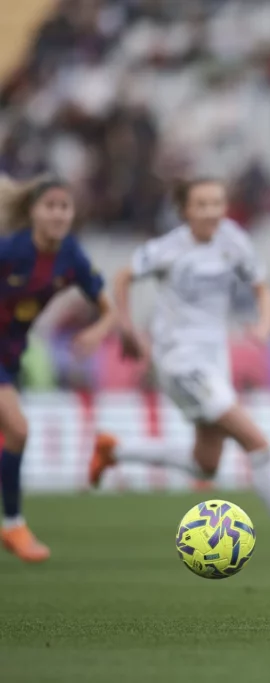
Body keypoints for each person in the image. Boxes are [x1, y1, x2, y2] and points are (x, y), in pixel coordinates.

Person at [88, 178, 270, 565]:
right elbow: (122, 276)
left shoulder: (232, 240)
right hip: (180, 361)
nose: (210, 212)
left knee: (205, 463)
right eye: (201, 204)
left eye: (217, 203)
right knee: (258, 443)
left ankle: (114, 451)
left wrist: (265, 325)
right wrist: (127, 327)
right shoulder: (168, 248)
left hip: (213, 360)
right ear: (185, 210)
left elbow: (262, 287)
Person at [0, 175, 116, 562]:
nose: (58, 214)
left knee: (14, 434)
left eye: (64, 207)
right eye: (49, 206)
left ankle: (13, 524)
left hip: (10, 355)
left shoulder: (71, 256)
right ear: (32, 212)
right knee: (17, 428)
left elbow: (108, 306)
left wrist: (99, 331)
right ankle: (14, 525)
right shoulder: (9, 251)